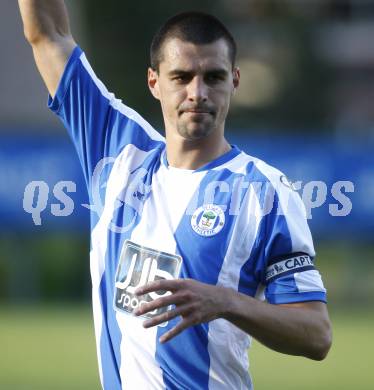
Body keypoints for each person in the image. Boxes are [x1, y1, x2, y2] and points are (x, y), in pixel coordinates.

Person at [18, 1, 332, 389]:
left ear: (234, 80)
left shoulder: (265, 192)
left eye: (213, 77)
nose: (197, 92)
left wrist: (226, 301)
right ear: (154, 82)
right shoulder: (115, 150)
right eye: (181, 77)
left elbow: (316, 334)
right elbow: (48, 36)